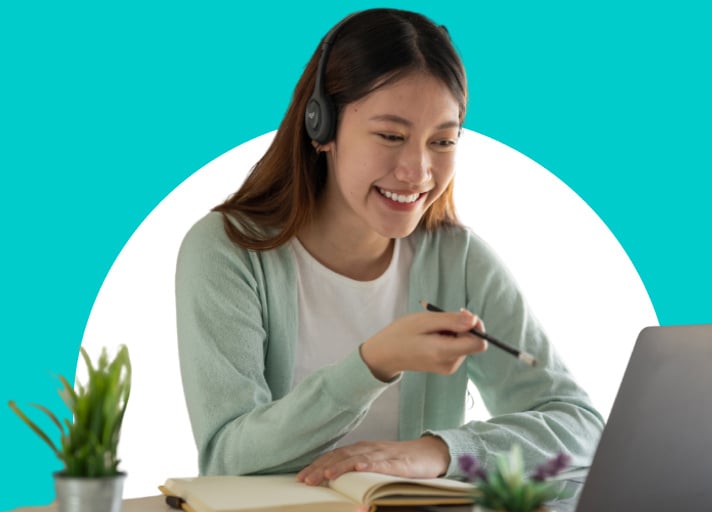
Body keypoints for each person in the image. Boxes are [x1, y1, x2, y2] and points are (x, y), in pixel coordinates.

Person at [174, 8, 604, 486]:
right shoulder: (227, 252)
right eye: (391, 136)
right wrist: (373, 363)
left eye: (442, 141)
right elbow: (226, 458)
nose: (417, 171)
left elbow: (581, 426)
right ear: (321, 128)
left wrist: (440, 452)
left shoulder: (457, 260)